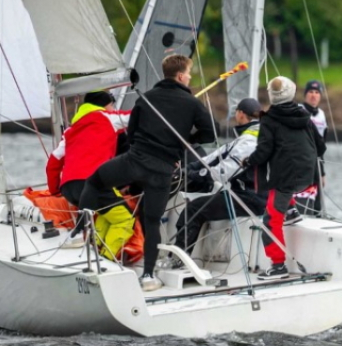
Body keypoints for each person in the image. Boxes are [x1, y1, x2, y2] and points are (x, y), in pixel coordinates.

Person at [78, 55, 217, 292]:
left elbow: (131, 133)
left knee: (94, 181)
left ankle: (77, 233)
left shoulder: (147, 98)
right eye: (189, 74)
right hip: (161, 171)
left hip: (134, 162)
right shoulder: (192, 103)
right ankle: (148, 276)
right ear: (182, 76)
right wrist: (185, 141)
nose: (190, 77)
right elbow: (209, 135)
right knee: (151, 222)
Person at [243, 76, 325, 280]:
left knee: (270, 219)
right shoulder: (305, 115)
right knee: (280, 191)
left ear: (272, 96)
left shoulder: (269, 120)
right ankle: (292, 210)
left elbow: (262, 153)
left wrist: (247, 161)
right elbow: (321, 147)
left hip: (286, 179)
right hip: (308, 176)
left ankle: (278, 266)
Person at [170, 98, 267, 260]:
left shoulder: (250, 140)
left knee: (193, 209)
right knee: (199, 204)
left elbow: (223, 172)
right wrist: (187, 170)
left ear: (241, 114)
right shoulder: (255, 134)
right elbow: (216, 156)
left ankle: (179, 260)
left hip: (249, 199)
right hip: (250, 195)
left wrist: (195, 175)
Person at [46, 91, 134, 258]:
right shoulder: (108, 117)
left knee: (106, 214)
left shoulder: (70, 131)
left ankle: (94, 253)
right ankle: (107, 260)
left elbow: (53, 162)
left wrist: (54, 191)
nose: (114, 108)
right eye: (112, 104)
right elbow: (137, 115)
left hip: (69, 189)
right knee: (125, 219)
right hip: (92, 184)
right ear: (105, 105)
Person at [295, 79, 328, 216]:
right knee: (301, 195)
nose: (313, 95)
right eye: (310, 92)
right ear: (305, 95)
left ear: (320, 96)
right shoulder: (298, 110)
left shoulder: (321, 115)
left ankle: (316, 216)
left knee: (317, 199)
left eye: (316, 92)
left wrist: (322, 172)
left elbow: (322, 145)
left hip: (315, 162)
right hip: (300, 161)